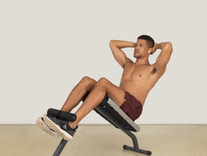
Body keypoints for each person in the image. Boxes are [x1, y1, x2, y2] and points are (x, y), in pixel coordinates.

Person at [38, 35, 173, 140]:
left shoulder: (153, 69)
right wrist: (135, 44)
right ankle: (58, 121)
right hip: (118, 101)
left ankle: (71, 125)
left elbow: (168, 46)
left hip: (133, 107)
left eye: (141, 45)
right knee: (86, 81)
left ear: (150, 50)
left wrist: (155, 46)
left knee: (103, 82)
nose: (136, 48)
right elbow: (112, 43)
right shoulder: (128, 64)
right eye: (136, 45)